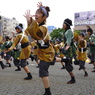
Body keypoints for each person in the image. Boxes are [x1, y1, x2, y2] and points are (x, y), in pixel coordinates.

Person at [24, 2, 55, 95]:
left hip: (47, 53)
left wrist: (30, 20)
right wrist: (30, 21)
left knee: (43, 71)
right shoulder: (40, 25)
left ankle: (48, 92)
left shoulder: (44, 27)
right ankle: (65, 60)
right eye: (36, 12)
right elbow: (32, 32)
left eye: (39, 13)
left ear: (44, 17)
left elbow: (35, 34)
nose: (36, 14)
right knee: (47, 65)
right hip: (44, 52)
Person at [54, 18, 76, 84]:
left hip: (70, 50)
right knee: (67, 65)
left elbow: (68, 41)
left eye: (64, 23)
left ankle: (73, 79)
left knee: (67, 63)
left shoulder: (68, 31)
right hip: (68, 50)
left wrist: (66, 47)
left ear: (67, 25)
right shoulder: (66, 31)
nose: (63, 25)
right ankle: (73, 78)